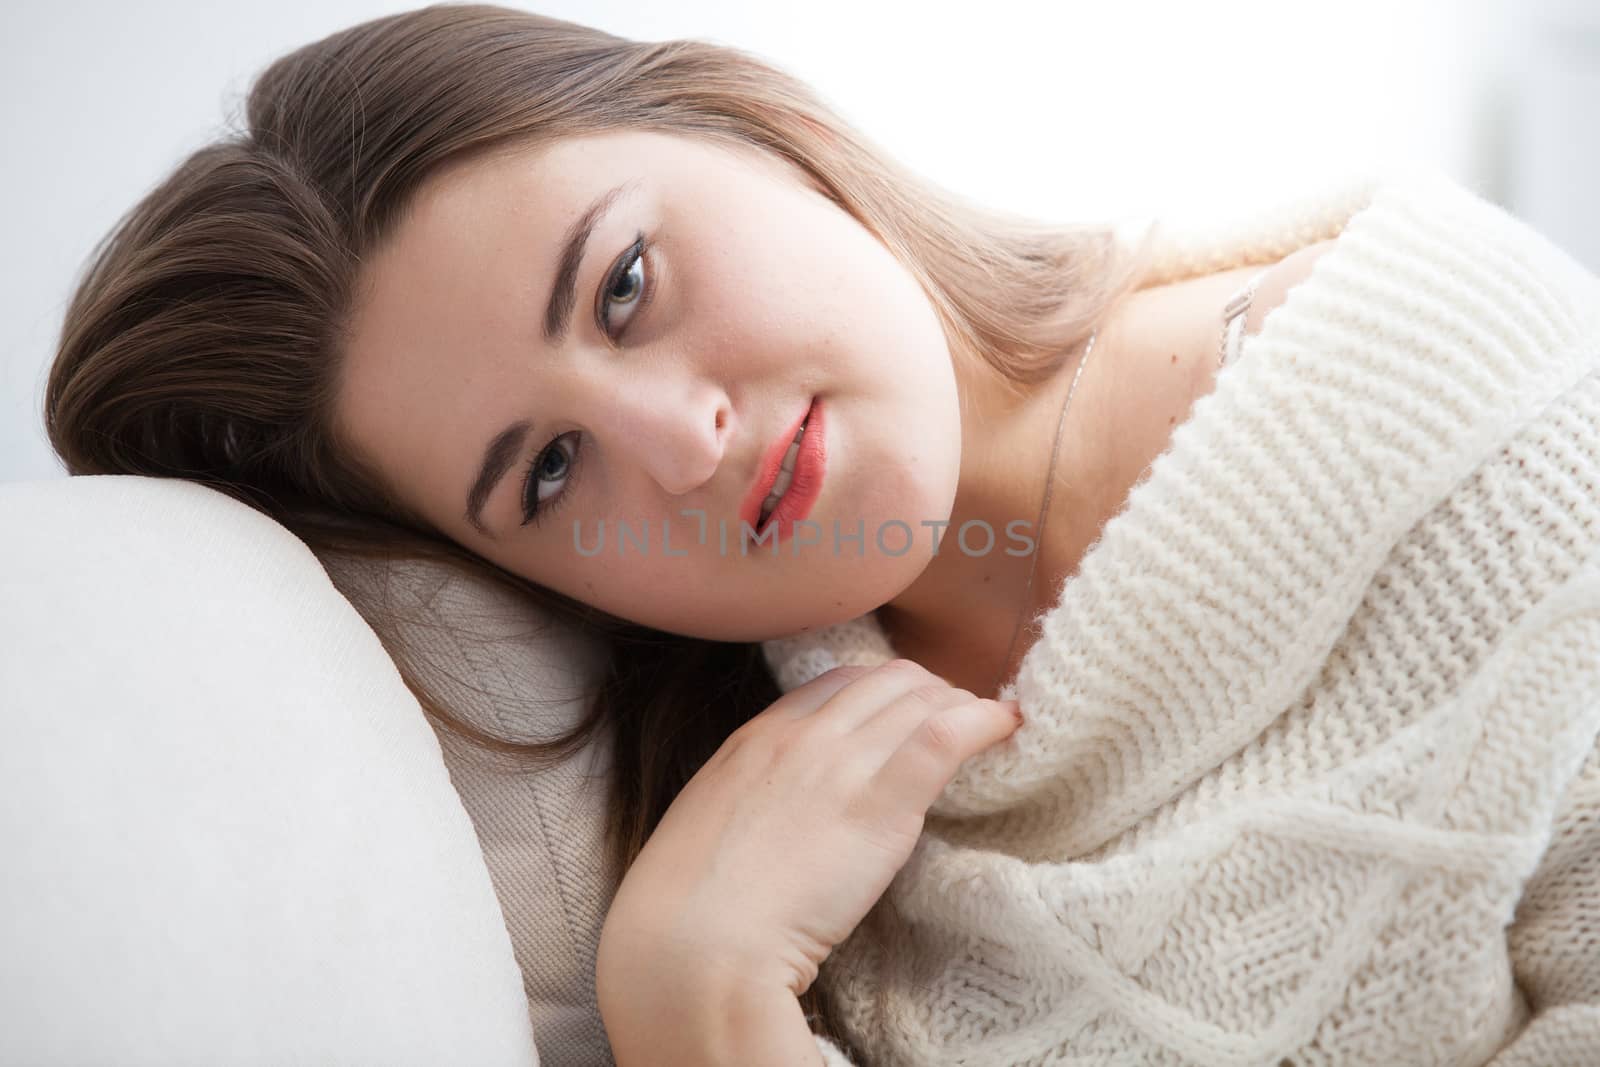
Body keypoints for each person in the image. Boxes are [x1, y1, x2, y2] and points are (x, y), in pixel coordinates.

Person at [42, 4, 1600, 1065]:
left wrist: (701, 1008)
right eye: (548, 474)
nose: (679, 443)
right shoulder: (747, 838)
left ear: (763, 126)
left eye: (626, 285)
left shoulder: (1503, 443)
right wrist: (700, 987)